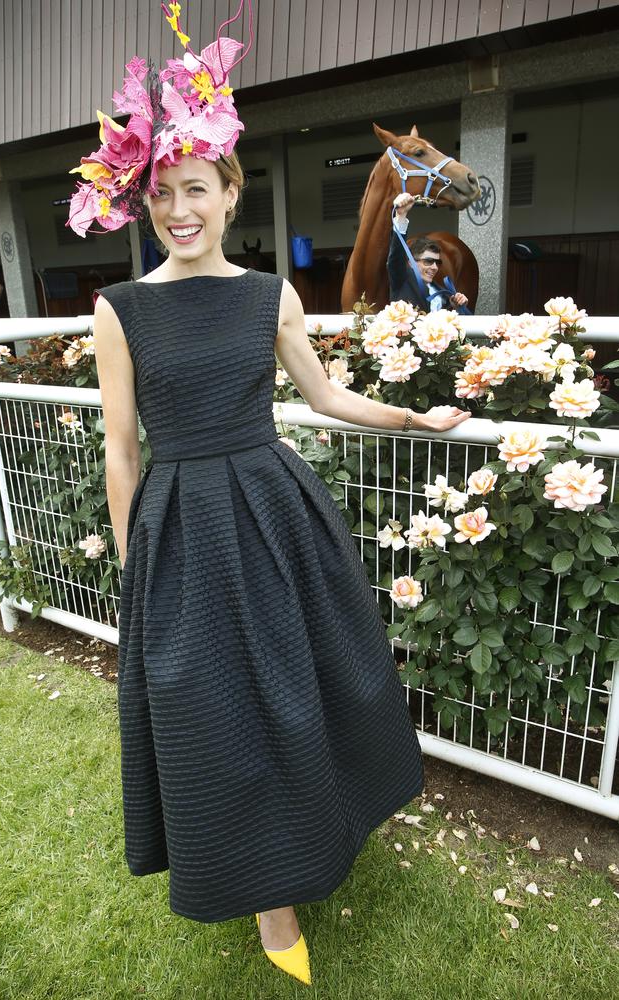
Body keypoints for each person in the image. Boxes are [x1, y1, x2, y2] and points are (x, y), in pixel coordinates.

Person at [71, 1, 471, 987]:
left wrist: (414, 419)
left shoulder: (270, 296)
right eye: (163, 192)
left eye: (196, 188)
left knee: (309, 690)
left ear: (229, 191)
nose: (180, 208)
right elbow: (121, 451)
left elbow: (325, 394)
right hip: (179, 531)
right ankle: (268, 904)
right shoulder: (118, 309)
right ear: (146, 201)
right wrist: (134, 564)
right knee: (210, 709)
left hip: (275, 517)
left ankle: (314, 838)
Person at [387, 192, 469, 312]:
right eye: (428, 261)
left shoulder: (445, 294)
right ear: (411, 263)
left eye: (437, 262)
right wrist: (401, 216)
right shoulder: (402, 279)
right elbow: (395, 256)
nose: (435, 267)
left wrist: (457, 307)